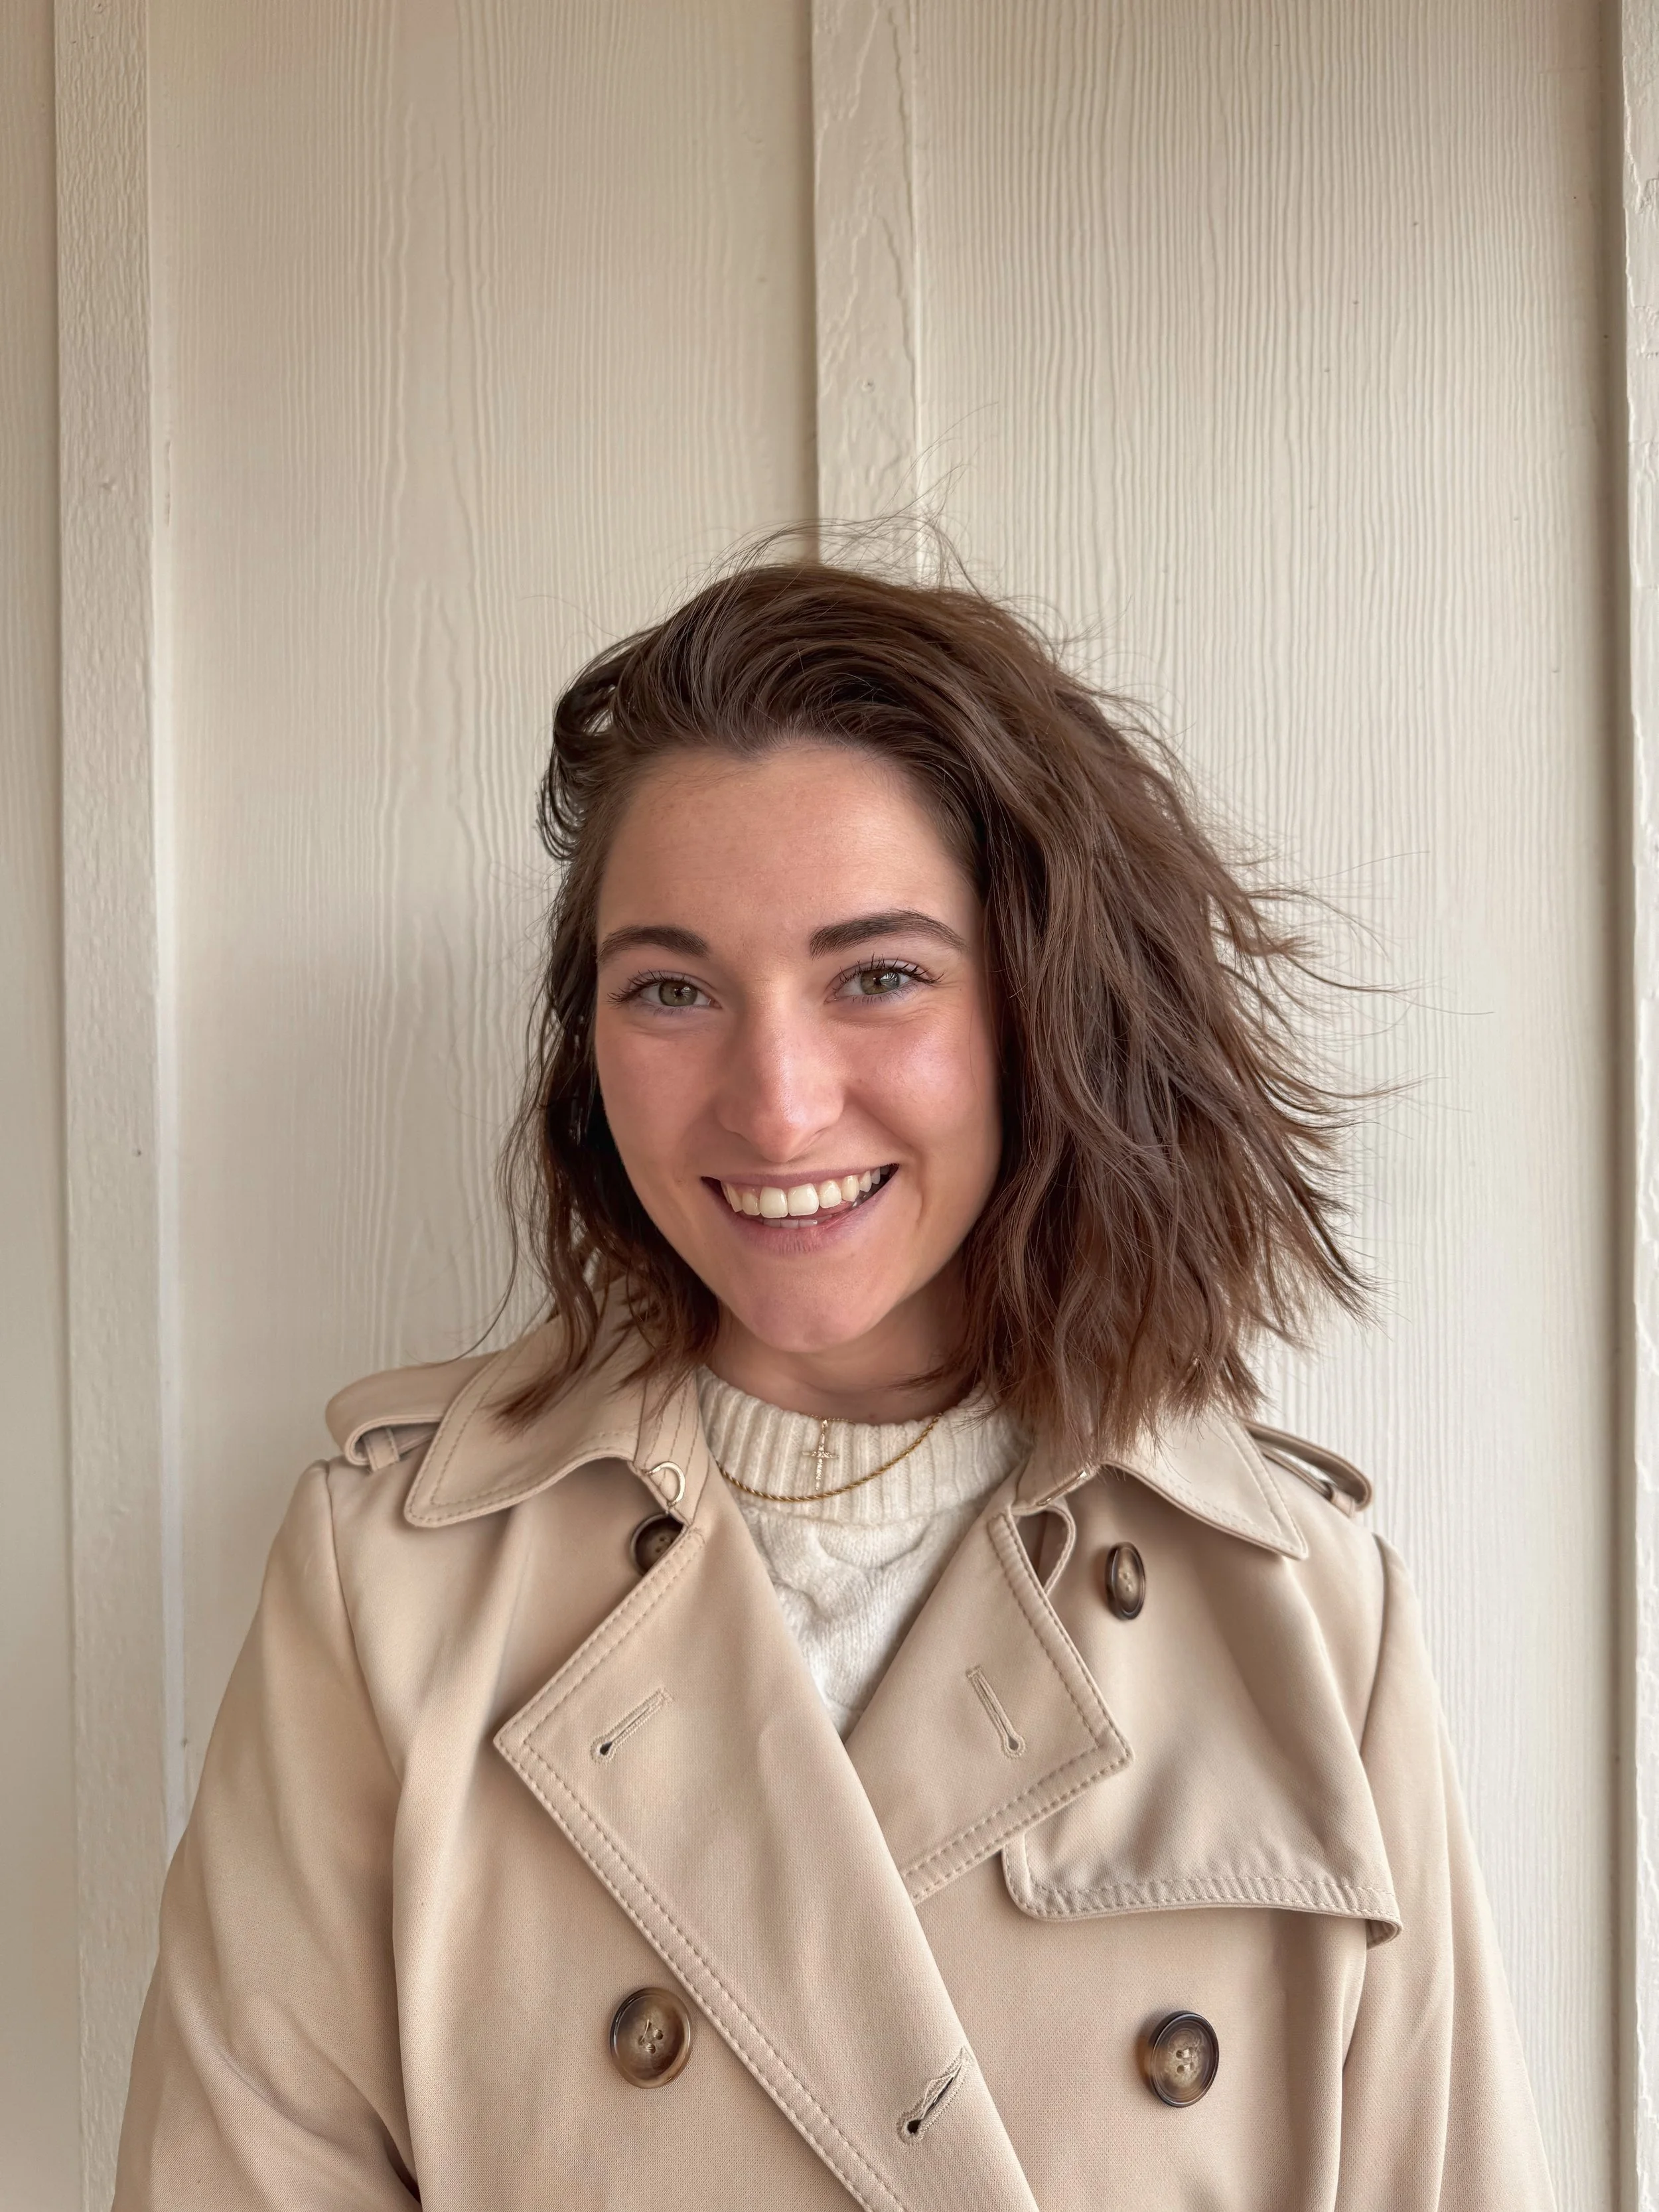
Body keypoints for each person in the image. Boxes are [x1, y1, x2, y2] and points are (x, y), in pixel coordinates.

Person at [114, 557, 1557, 2209]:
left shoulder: (1303, 1609)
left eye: (876, 974)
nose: (777, 1105)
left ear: (1041, 1007)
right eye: (671, 988)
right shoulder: (393, 1588)